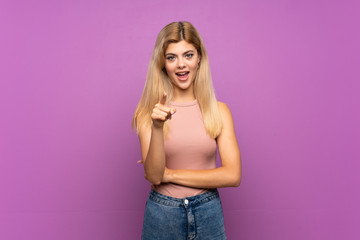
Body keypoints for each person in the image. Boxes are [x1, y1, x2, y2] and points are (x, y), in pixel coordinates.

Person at [132, 21, 241, 240]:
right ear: (163, 63)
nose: (181, 65)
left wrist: (171, 174)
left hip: (208, 210)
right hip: (163, 214)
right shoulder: (149, 113)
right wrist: (157, 127)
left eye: (188, 55)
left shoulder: (219, 111)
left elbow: (232, 175)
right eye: (172, 57)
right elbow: (154, 175)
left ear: (199, 58)